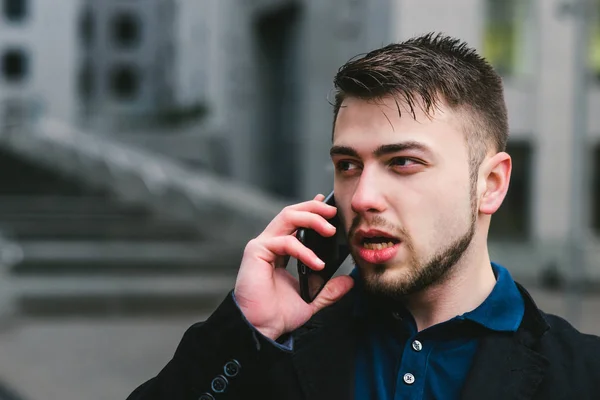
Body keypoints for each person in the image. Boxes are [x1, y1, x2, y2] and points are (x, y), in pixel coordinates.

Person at [126, 33, 600, 400]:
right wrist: (247, 330)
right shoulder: (277, 347)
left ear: (490, 184)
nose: (362, 197)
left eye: (403, 162)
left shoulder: (580, 372)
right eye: (348, 165)